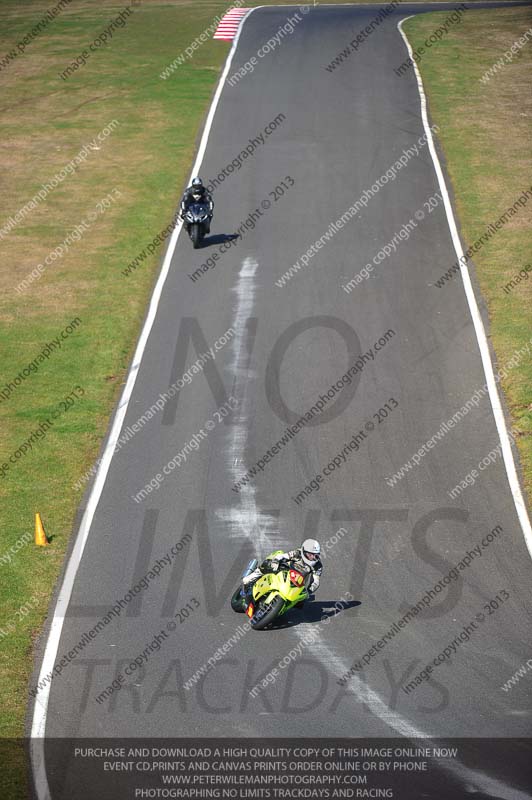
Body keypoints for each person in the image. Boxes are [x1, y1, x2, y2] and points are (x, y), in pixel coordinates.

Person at [242, 539, 322, 598]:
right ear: (304, 552)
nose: (312, 557)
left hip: (296, 583)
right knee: (268, 564)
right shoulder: (298, 553)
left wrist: (309, 591)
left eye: (315, 555)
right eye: (310, 554)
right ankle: (251, 577)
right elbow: (285, 556)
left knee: (300, 603)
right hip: (284, 571)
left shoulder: (318, 566)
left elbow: (316, 582)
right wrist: (276, 561)